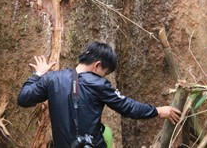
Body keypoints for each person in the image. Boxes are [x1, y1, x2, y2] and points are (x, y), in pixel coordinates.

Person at [17, 42, 182, 148]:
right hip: (91, 145)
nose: (103, 77)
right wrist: (158, 111)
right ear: (97, 65)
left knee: (107, 131)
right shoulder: (98, 84)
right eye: (104, 73)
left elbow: (24, 98)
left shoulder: (52, 79)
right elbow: (127, 107)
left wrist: (38, 73)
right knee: (107, 133)